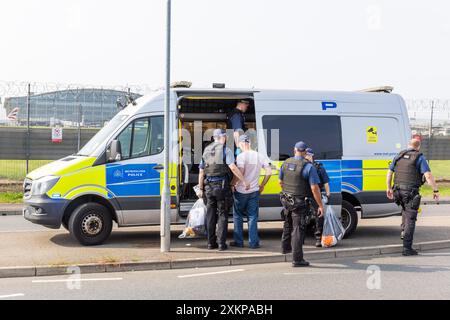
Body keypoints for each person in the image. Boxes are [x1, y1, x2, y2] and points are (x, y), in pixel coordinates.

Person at [198, 129, 250, 251]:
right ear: (223, 137)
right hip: (221, 186)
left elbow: (201, 172)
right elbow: (232, 167)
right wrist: (243, 180)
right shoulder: (226, 150)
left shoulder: (206, 150)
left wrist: (200, 188)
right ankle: (221, 244)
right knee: (222, 214)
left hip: (208, 187)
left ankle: (211, 243)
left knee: (210, 215)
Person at [386, 138, 440, 256]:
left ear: (408, 145)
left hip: (398, 191)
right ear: (418, 147)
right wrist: (435, 190)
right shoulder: (419, 157)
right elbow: (428, 176)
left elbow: (389, 172)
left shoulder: (399, 156)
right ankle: (407, 248)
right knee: (411, 219)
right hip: (410, 192)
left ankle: (403, 232)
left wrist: (388, 188)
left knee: (405, 211)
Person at [279, 141, 325, 267]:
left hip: (286, 199)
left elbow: (280, 181)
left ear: (294, 150)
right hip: (299, 201)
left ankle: (285, 248)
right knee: (298, 229)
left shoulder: (286, 162)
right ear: (305, 152)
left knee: (287, 223)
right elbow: (315, 188)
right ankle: (297, 259)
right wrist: (320, 205)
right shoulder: (308, 167)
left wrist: (288, 191)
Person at [230, 135, 272, 249]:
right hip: (254, 191)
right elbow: (269, 171)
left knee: (238, 216)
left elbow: (241, 172)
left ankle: (239, 242)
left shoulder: (241, 156)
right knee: (252, 216)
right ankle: (253, 243)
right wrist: (262, 185)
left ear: (242, 144)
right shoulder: (259, 156)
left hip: (241, 191)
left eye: (238, 144)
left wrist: (233, 183)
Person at [305, 148, 331, 247]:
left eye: (308, 155)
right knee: (304, 217)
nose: (307, 156)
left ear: (312, 155)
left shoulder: (319, 167)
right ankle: (303, 238)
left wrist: (328, 195)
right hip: (307, 194)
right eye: (306, 154)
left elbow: (326, 182)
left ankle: (318, 238)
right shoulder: (304, 166)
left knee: (318, 216)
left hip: (315, 195)